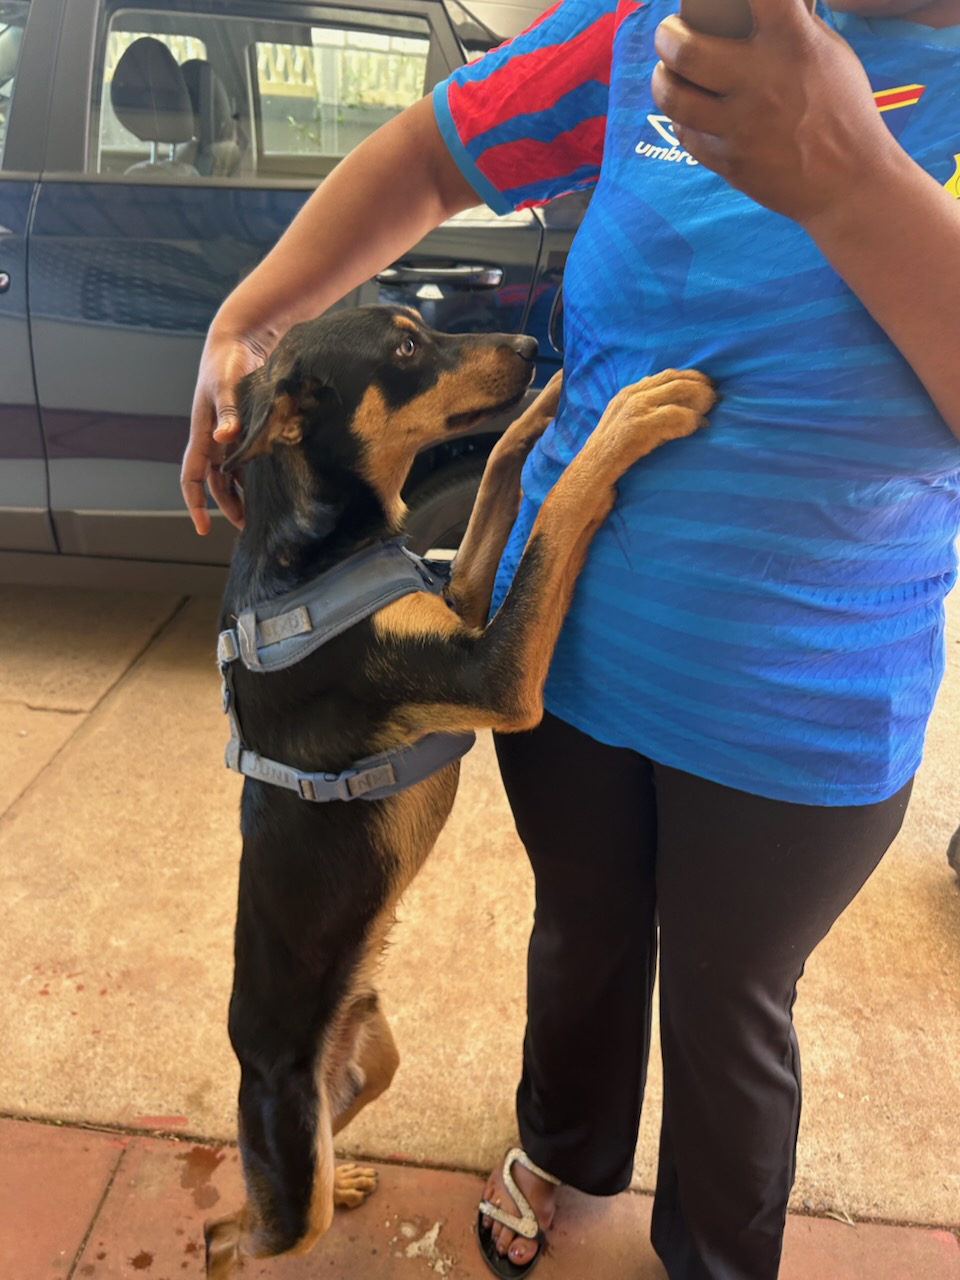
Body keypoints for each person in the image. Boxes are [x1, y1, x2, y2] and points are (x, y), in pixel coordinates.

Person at [181, 0, 960, 1275]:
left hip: (799, 699)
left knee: (727, 1001)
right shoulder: (661, 22)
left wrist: (854, 175)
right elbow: (432, 152)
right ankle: (563, 1150)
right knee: (583, 930)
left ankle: (717, 1254)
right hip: (569, 664)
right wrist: (252, 323)